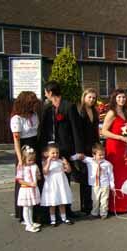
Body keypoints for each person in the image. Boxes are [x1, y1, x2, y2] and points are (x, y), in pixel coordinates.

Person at [40, 81, 84, 218]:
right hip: (50, 147)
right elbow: (44, 129)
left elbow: (76, 129)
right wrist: (43, 148)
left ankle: (67, 210)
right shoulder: (47, 108)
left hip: (65, 147)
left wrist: (79, 150)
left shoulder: (68, 106)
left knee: (64, 179)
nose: (45, 94)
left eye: (45, 92)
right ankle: (51, 211)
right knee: (50, 180)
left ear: (50, 92)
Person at [102, 88, 127, 213]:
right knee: (115, 175)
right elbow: (104, 131)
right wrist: (120, 137)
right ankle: (115, 205)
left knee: (126, 174)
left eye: (124, 97)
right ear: (115, 98)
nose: (122, 99)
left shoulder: (126, 112)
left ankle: (125, 204)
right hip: (114, 146)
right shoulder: (112, 113)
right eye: (119, 97)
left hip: (124, 146)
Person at [10, 91, 41, 223]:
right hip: (23, 149)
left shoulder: (34, 116)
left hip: (35, 146)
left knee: (36, 177)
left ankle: (36, 211)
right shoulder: (16, 119)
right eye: (32, 104)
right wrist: (20, 159)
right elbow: (16, 140)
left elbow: (37, 133)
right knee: (23, 180)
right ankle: (22, 214)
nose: (34, 106)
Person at [71, 143, 115, 219]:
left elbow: (110, 175)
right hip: (95, 184)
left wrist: (112, 185)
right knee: (95, 199)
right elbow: (81, 156)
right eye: (100, 155)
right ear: (94, 155)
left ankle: (103, 213)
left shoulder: (107, 164)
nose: (102, 157)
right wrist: (73, 157)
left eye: (103, 155)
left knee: (104, 200)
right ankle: (94, 213)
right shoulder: (90, 160)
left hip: (105, 184)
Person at [77, 88, 100, 214]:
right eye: (89, 97)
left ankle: (92, 203)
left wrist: (98, 146)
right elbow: (78, 132)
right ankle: (85, 205)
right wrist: (79, 149)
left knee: (94, 175)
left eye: (94, 98)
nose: (91, 100)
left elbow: (96, 130)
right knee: (84, 176)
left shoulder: (95, 111)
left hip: (93, 146)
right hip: (83, 147)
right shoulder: (80, 111)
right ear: (84, 97)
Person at [40, 143, 74, 226]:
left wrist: (66, 163)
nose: (55, 155)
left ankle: (64, 218)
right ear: (47, 153)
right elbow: (45, 172)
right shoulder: (45, 162)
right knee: (53, 202)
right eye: (53, 153)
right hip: (52, 184)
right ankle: (53, 219)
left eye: (57, 153)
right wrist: (48, 161)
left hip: (61, 184)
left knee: (62, 201)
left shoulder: (60, 161)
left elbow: (69, 171)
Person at [16, 145, 41, 233]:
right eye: (29, 160)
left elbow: (38, 177)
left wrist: (38, 175)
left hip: (33, 189)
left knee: (31, 207)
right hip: (26, 189)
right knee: (26, 207)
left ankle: (31, 222)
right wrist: (30, 183)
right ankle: (28, 225)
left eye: (33, 160)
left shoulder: (34, 166)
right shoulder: (21, 167)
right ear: (23, 158)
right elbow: (19, 180)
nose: (31, 161)